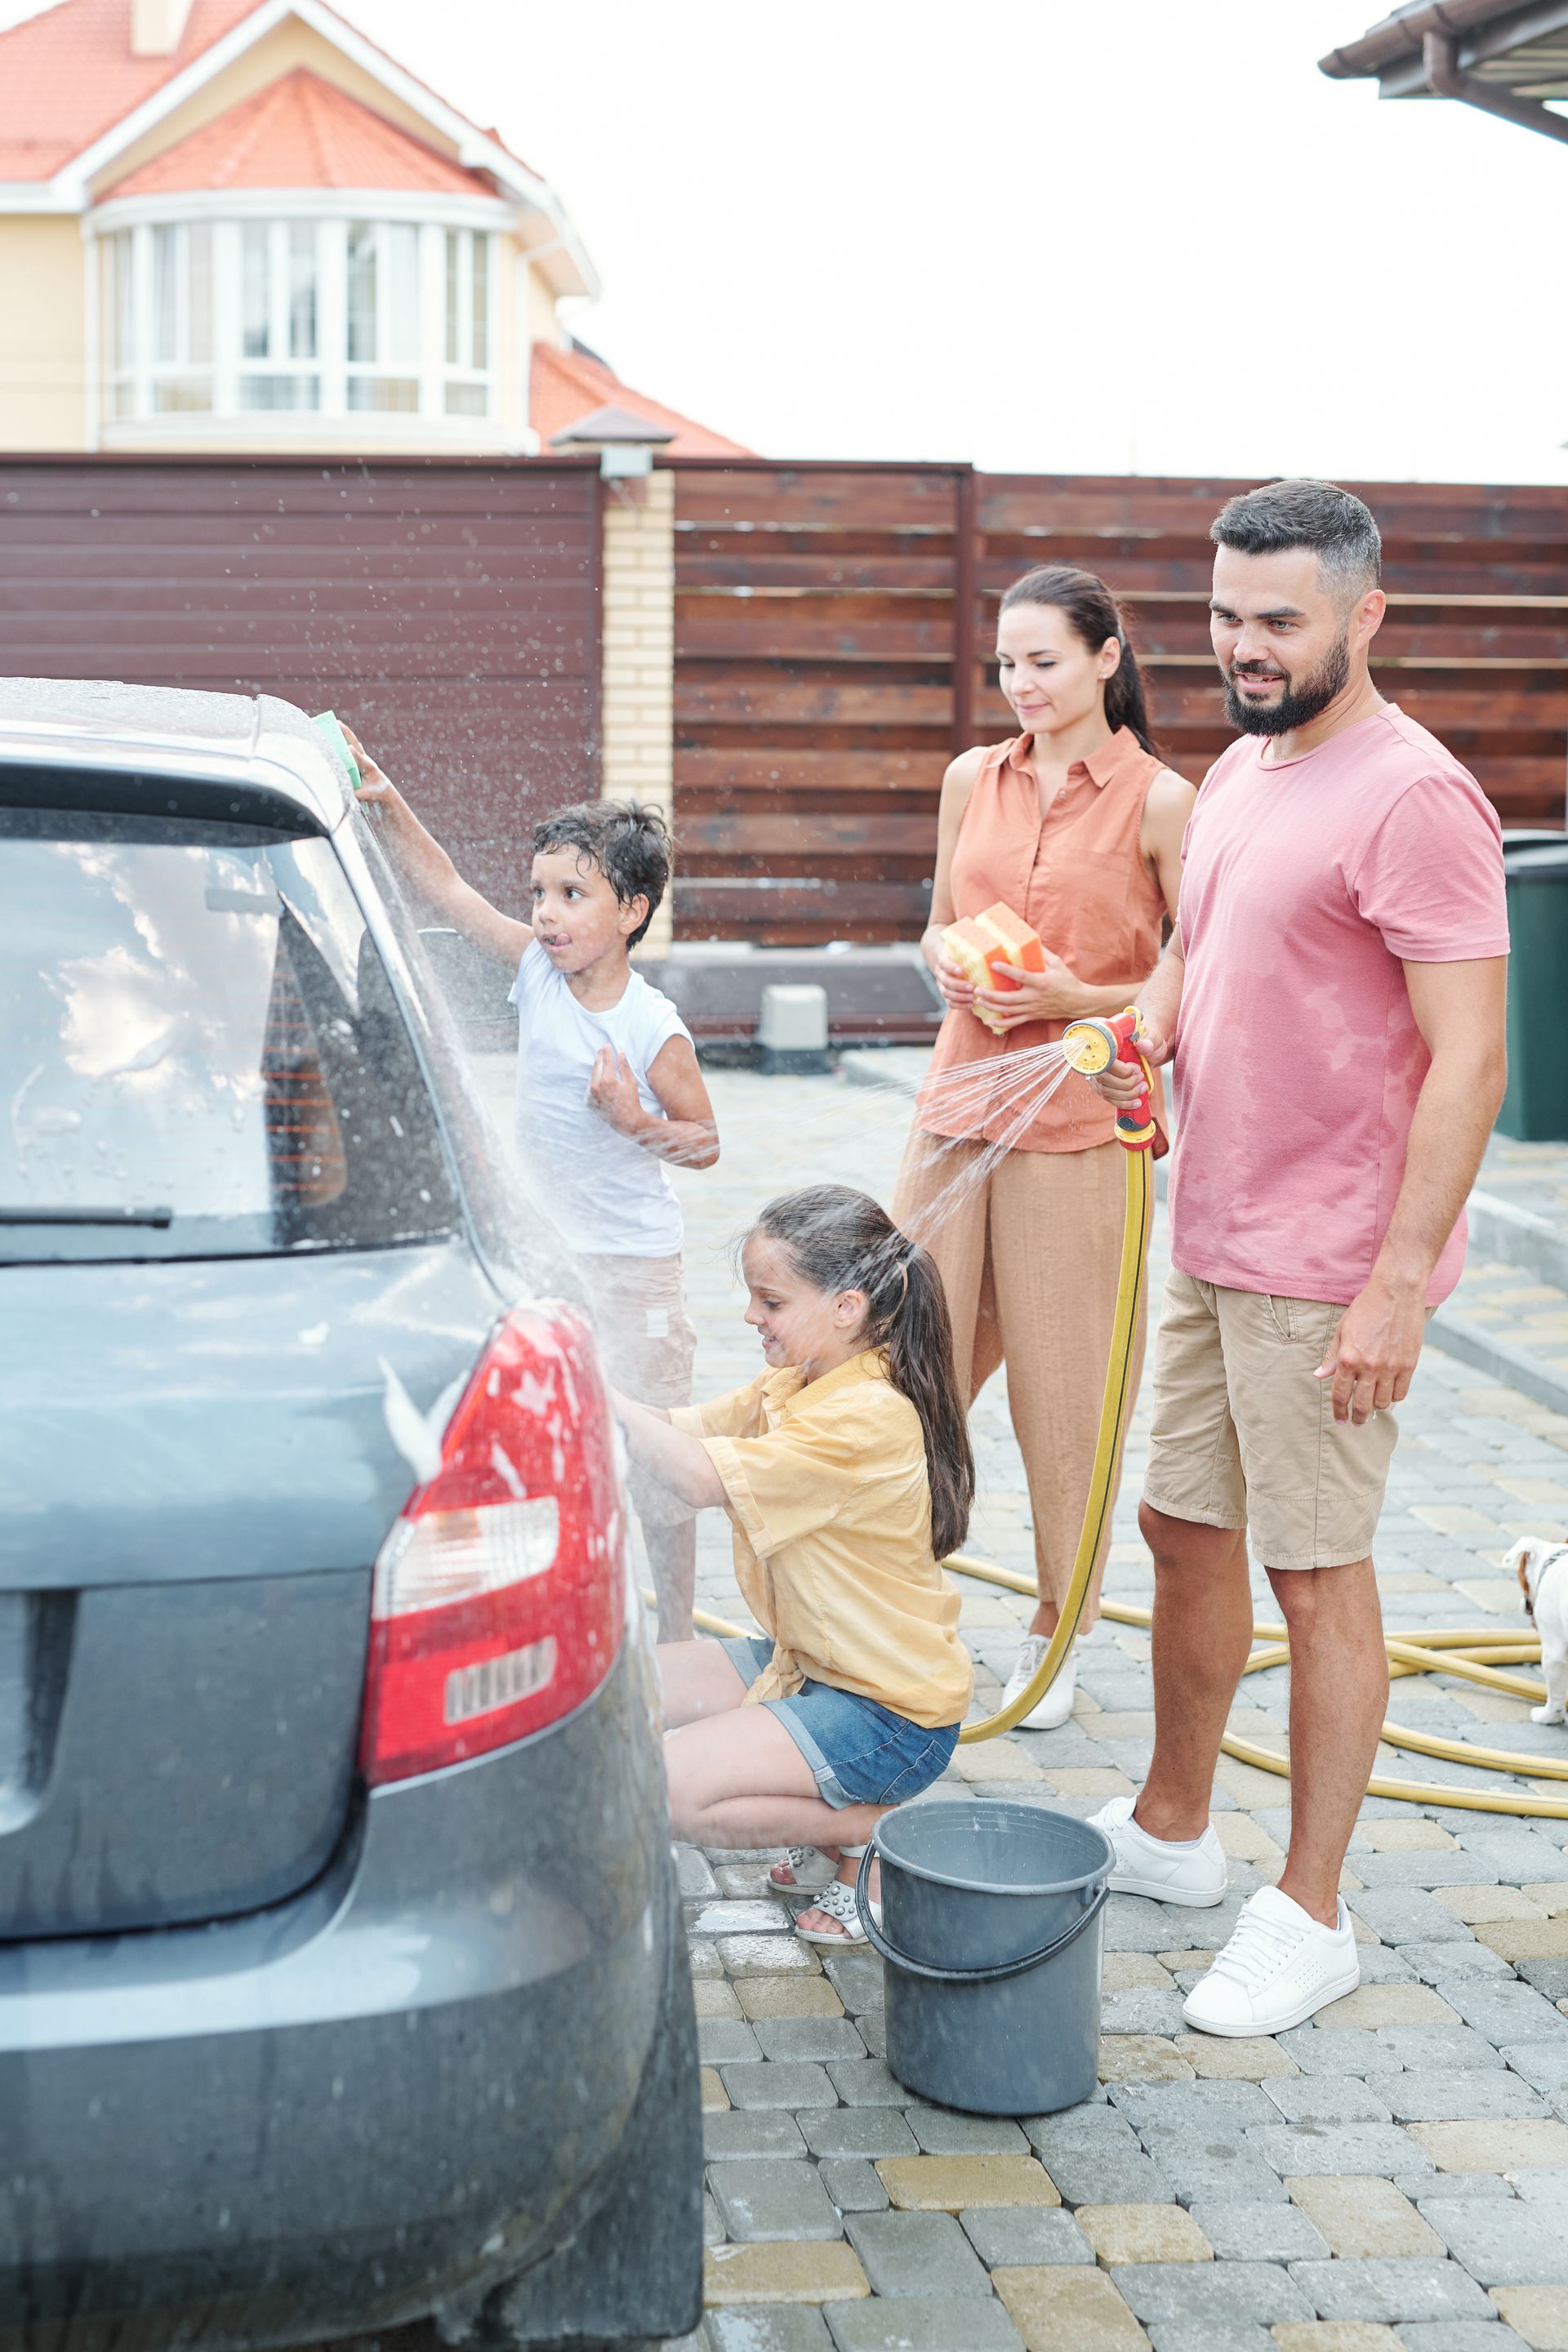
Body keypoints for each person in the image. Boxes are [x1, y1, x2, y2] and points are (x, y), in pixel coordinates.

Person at [1087, 479, 1508, 2037]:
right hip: (1216, 1232)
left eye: (1279, 620)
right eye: (1224, 617)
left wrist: (1397, 1281)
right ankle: (1175, 1830)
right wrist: (1145, 1025)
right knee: (1182, 1526)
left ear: (1363, 615)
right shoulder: (1248, 770)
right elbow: (1204, 942)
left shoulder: (1416, 798)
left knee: (1316, 1575)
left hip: (1331, 1262)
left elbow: (1470, 1062)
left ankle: (1312, 1912)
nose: (1245, 648)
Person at [893, 566, 1195, 1728]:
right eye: (1007, 664)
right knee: (903, 1369)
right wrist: (949, 960)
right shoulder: (971, 777)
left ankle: (1056, 1631)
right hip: (957, 1104)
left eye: (1045, 662)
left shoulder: (1165, 801)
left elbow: (1194, 966)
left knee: (1067, 1406)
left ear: (1108, 657)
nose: (1021, 684)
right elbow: (935, 917)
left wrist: (1077, 994)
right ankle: (884, 1597)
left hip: (1078, 1129)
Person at [347, 734, 718, 1642]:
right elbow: (450, 891)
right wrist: (388, 799)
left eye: (571, 896)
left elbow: (706, 1142)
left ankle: (673, 1636)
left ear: (631, 911)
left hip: (635, 1270)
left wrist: (635, 1122)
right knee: (547, 1431)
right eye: (541, 895)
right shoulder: (534, 971)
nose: (546, 915)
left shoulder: (650, 1026)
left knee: (659, 1463)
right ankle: (562, 1599)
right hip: (547, 1253)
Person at [611, 1185, 976, 1943]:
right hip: (812, 1664)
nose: (752, 1317)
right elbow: (684, 1430)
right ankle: (827, 1823)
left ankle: (870, 1835)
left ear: (846, 1307)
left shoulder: (867, 1416)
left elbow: (698, 1477)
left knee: (660, 1785)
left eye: (770, 1301)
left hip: (886, 1712)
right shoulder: (803, 1377)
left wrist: (594, 1388)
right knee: (619, 1689)